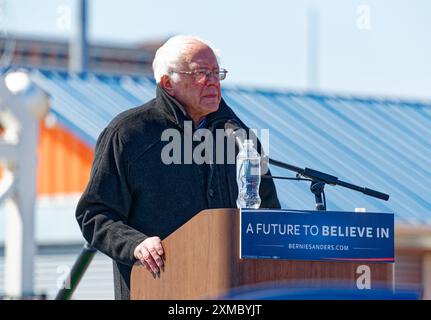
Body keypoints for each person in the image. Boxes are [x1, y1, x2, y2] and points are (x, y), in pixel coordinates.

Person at [75, 35, 280, 300]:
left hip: (232, 293)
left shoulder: (239, 136)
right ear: (168, 83)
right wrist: (135, 244)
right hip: (157, 288)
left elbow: (269, 214)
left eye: (217, 73)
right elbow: (95, 214)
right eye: (201, 73)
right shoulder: (129, 134)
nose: (213, 82)